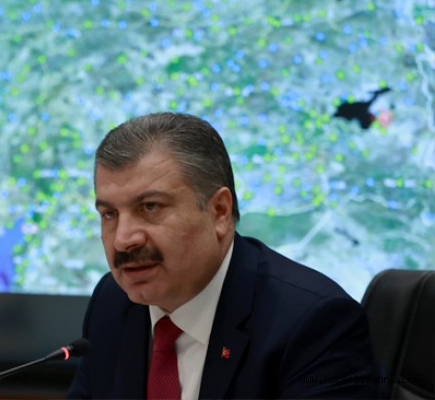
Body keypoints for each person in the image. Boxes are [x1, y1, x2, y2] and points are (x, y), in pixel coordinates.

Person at [66, 113, 386, 399]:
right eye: (109, 214)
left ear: (219, 212)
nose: (123, 240)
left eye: (150, 207)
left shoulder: (312, 324)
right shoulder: (112, 302)